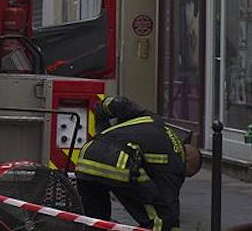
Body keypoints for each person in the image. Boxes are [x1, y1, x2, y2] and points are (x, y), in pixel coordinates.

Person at [75, 96, 202, 230]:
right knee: (161, 218)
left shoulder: (153, 120)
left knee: (96, 220)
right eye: (186, 174)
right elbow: (168, 202)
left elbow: (117, 104)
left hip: (86, 157)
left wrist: (102, 134)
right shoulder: (176, 161)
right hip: (120, 164)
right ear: (187, 163)